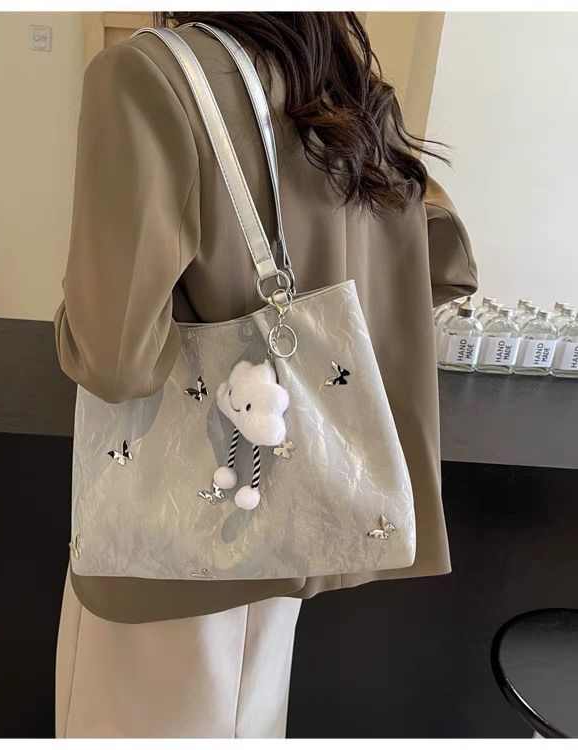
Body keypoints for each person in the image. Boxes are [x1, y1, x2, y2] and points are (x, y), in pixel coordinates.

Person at [53, 11, 477, 738]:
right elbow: (435, 270)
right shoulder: (346, 85)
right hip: (291, 515)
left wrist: (76, 312)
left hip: (170, 536)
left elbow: (115, 359)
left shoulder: (147, 73)